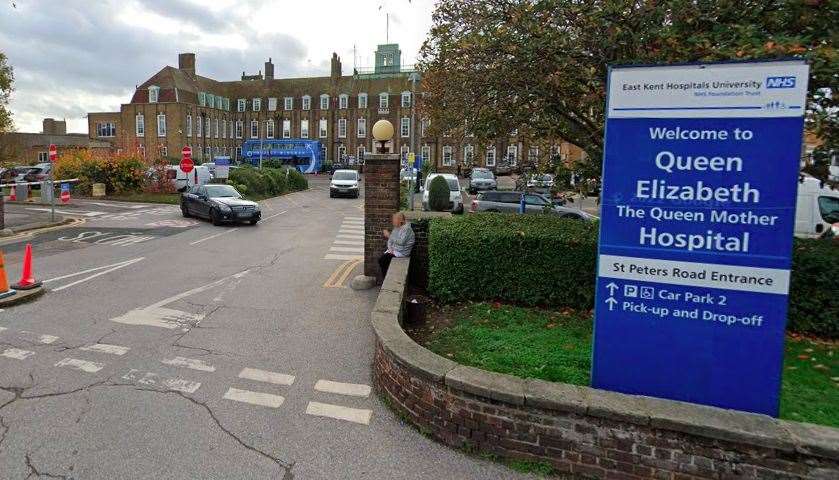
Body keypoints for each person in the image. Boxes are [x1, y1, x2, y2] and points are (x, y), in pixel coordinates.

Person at [378, 212, 415, 280]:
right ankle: (386, 279)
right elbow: (390, 241)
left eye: (395, 219)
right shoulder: (397, 227)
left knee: (382, 260)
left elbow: (401, 242)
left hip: (402, 252)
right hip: (394, 250)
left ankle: (387, 279)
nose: (393, 221)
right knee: (382, 261)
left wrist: (389, 235)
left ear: (401, 220)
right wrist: (390, 249)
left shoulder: (407, 229)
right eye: (393, 219)